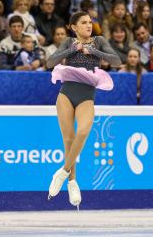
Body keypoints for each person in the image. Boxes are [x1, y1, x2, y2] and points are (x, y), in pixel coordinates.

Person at [46, 11, 121, 209]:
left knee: (83, 131)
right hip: (66, 94)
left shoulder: (99, 41)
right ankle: (72, 183)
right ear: (74, 27)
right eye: (84, 22)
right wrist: (72, 50)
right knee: (68, 140)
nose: (89, 25)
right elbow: (50, 62)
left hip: (86, 96)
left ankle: (62, 173)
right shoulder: (69, 41)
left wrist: (94, 52)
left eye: (90, 22)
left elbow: (117, 61)